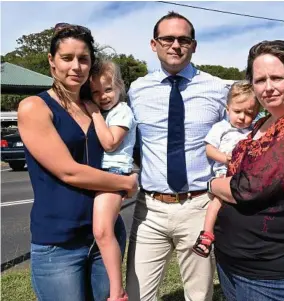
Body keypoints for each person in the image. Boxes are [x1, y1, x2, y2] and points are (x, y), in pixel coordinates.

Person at [17, 23, 138, 301]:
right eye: (67, 58)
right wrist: (126, 183)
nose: (76, 66)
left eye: (83, 59)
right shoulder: (35, 107)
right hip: (59, 242)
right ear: (52, 61)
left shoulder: (96, 106)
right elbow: (68, 172)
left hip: (103, 235)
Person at [207, 40, 284, 301]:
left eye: (276, 77)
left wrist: (213, 185)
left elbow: (251, 187)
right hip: (232, 259)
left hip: (271, 270)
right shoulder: (261, 122)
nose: (268, 87)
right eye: (260, 80)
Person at [125, 11, 229, 301]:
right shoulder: (137, 90)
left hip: (198, 207)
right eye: (167, 38)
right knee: (137, 294)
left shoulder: (217, 89)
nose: (175, 45)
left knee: (199, 295)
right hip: (149, 210)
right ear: (153, 44)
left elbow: (238, 135)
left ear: (194, 46)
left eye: (184, 39)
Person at [84, 59, 137, 301]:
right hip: (100, 175)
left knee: (102, 231)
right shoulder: (106, 111)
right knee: (105, 231)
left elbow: (110, 142)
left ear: (119, 86)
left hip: (114, 175)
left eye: (107, 89)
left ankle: (117, 291)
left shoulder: (122, 111)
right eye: (95, 92)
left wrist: (93, 111)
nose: (102, 96)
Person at [192, 81, 260, 258]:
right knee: (217, 203)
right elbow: (209, 149)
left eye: (249, 113)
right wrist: (227, 159)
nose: (242, 117)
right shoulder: (220, 128)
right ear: (227, 109)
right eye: (237, 111)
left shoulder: (254, 131)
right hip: (224, 173)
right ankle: (206, 235)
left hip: (245, 175)